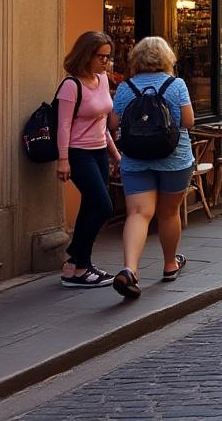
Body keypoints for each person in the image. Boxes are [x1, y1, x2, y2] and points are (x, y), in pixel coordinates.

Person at [108, 37, 194, 299]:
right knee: (168, 213)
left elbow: (113, 125)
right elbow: (188, 121)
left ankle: (130, 269)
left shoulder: (125, 87)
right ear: (167, 58)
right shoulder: (176, 85)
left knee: (138, 213)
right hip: (174, 159)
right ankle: (170, 265)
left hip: (135, 159)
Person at [56, 31, 119, 288]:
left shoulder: (102, 79)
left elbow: (101, 122)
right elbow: (63, 126)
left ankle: (75, 267)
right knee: (103, 206)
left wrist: (114, 153)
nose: (105, 62)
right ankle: (80, 263)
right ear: (86, 55)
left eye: (108, 57)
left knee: (90, 207)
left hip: (99, 151)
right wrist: (63, 160)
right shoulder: (71, 85)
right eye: (101, 57)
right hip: (78, 153)